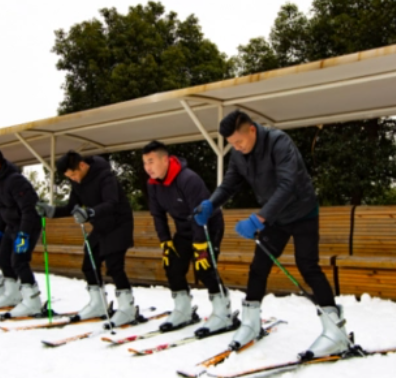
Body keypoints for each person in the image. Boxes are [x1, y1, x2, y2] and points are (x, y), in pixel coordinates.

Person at [194, 110, 351, 360]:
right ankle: (251, 323)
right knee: (258, 267)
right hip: (275, 218)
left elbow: (288, 184)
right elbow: (229, 184)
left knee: (307, 265)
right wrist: (211, 204)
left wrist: (259, 218)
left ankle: (335, 331)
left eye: (239, 141)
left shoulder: (279, 142)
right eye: (232, 144)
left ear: (252, 130)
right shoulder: (239, 154)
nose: (236, 147)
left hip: (302, 212)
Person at [37, 151, 137, 327]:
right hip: (101, 226)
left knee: (114, 266)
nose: (73, 179)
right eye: (69, 177)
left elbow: (111, 202)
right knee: (88, 263)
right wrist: (51, 211)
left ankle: (127, 308)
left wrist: (90, 212)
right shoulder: (78, 182)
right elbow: (72, 207)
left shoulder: (105, 176)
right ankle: (98, 304)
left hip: (119, 224)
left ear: (82, 165)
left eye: (74, 174)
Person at [142, 141, 231, 335]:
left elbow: (201, 214)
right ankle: (183, 310)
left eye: (151, 161)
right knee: (172, 265)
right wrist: (165, 241)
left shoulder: (188, 179)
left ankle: (223, 313)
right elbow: (158, 215)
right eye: (145, 163)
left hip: (208, 225)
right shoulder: (153, 185)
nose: (148, 168)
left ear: (165, 160)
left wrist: (200, 247)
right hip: (184, 229)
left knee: (205, 267)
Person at [0, 147, 44, 317]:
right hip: (11, 226)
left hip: (27, 226)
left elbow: (29, 210)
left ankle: (33, 301)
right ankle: (13, 294)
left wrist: (24, 235)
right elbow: (2, 209)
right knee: (2, 259)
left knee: (19, 261)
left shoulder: (15, 181)